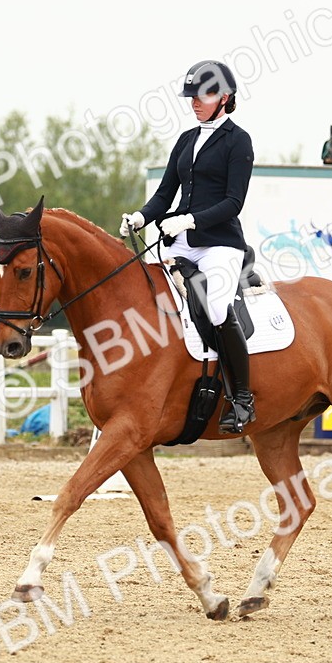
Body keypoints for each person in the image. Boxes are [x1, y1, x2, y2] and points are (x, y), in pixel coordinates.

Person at [120, 60, 256, 434]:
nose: (194, 102)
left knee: (215, 307)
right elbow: (165, 194)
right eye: (191, 96)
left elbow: (233, 202)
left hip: (219, 244)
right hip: (179, 240)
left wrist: (192, 220)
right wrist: (141, 217)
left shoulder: (238, 141)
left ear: (224, 98)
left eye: (203, 95)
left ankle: (242, 398)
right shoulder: (186, 140)